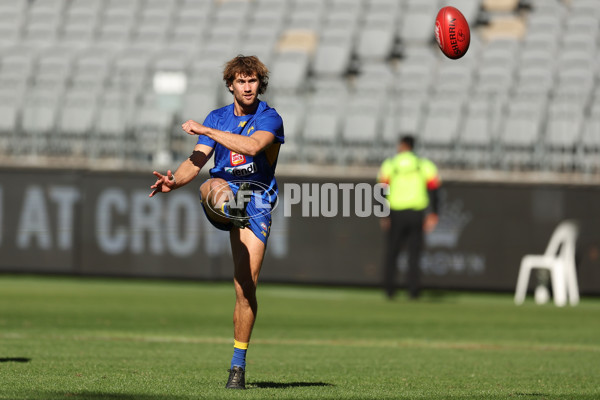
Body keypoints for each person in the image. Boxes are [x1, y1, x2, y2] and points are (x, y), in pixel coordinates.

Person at [149, 55, 284, 389]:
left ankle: (237, 366)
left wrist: (208, 129)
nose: (248, 86)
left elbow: (253, 147)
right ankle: (229, 213)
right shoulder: (218, 116)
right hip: (225, 194)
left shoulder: (270, 118)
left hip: (257, 201)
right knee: (213, 184)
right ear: (231, 85)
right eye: (241, 81)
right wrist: (174, 182)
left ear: (259, 84)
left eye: (253, 81)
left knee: (246, 286)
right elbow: (195, 162)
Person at [377, 135, 440, 300]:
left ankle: (389, 290)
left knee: (392, 252)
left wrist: (383, 214)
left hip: (396, 212)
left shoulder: (390, 164)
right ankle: (413, 291)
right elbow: (434, 190)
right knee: (414, 254)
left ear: (402, 145)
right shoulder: (424, 165)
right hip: (416, 213)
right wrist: (433, 213)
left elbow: (381, 189)